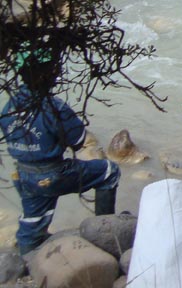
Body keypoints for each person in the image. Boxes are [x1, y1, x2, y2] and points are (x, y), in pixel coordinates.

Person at [0, 45, 120, 255]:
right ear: (45, 74)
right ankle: (104, 229)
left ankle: (26, 259)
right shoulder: (53, 106)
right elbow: (79, 140)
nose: (56, 74)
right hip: (53, 173)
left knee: (33, 219)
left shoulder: (10, 105)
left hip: (23, 173)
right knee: (109, 171)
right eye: (53, 70)